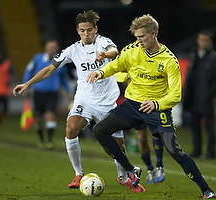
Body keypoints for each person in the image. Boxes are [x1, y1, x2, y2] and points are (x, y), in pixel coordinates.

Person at [13, 10, 145, 193]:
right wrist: (27, 83)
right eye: (83, 30)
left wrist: (105, 56)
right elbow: (50, 69)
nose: (87, 34)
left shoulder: (104, 42)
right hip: (84, 100)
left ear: (96, 29)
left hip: (107, 102)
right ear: (77, 31)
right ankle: (78, 174)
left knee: (118, 146)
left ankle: (123, 178)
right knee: (70, 128)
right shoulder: (72, 50)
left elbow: (114, 52)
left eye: (90, 30)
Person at [87, 14, 216, 199]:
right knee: (99, 130)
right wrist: (100, 72)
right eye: (136, 37)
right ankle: (130, 170)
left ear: (153, 34)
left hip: (157, 108)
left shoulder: (168, 60)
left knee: (173, 149)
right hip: (132, 104)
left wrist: (156, 103)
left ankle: (206, 190)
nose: (138, 40)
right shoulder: (132, 50)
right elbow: (116, 65)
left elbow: (175, 95)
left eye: (142, 36)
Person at [115, 72, 165, 184]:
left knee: (156, 134)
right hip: (136, 104)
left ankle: (159, 167)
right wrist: (126, 76)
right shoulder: (127, 57)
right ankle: (150, 168)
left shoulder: (149, 58)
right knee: (142, 138)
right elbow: (113, 72)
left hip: (152, 101)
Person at [22, 40, 72, 149]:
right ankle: (41, 140)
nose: (51, 49)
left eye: (54, 47)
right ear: (45, 48)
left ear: (57, 49)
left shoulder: (60, 61)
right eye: (50, 47)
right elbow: (28, 71)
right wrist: (27, 85)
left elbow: (64, 78)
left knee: (50, 115)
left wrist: (68, 90)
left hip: (53, 93)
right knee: (38, 118)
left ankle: (49, 141)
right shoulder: (37, 59)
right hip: (39, 92)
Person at [182, 30, 216, 159]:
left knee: (208, 125)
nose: (203, 42)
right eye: (201, 40)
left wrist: (210, 94)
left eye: (206, 40)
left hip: (206, 97)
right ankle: (197, 150)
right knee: (194, 125)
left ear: (210, 42)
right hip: (194, 96)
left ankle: (211, 152)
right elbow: (189, 77)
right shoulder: (193, 56)